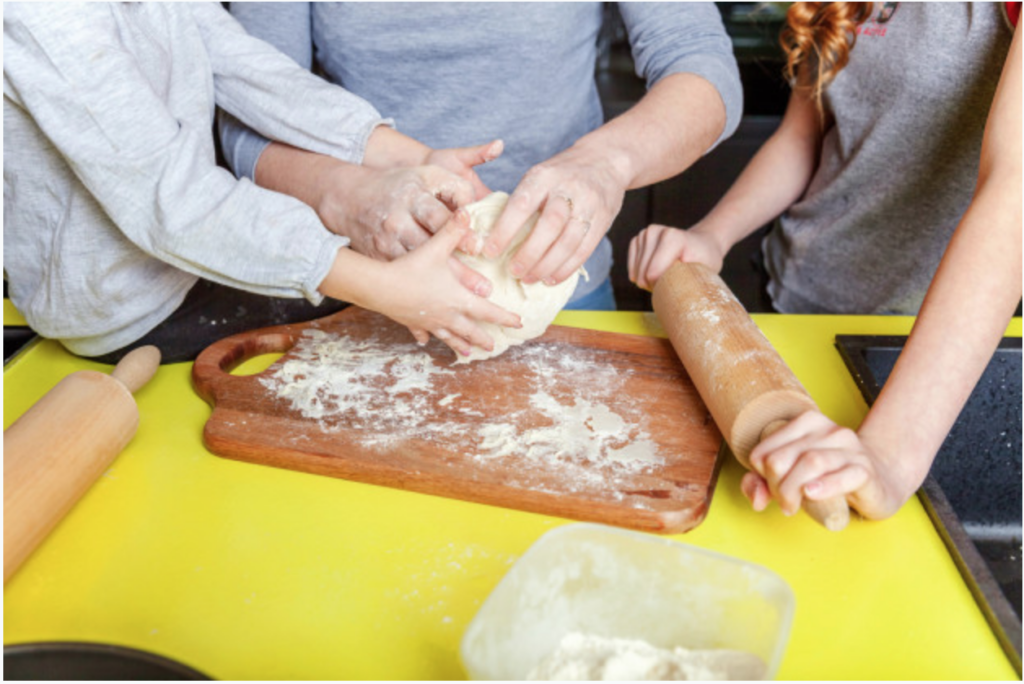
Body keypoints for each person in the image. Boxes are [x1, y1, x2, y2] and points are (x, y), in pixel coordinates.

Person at [628, 2, 1021, 521]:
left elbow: (1013, 192)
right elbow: (803, 140)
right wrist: (712, 237)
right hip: (794, 298)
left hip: (920, 360)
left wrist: (890, 454)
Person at [3, 3, 521, 364]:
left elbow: (247, 69)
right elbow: (175, 203)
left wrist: (411, 157)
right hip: (128, 314)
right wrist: (387, 289)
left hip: (191, 265)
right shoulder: (44, 16)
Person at [219, 2, 744, 312]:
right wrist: (345, 196)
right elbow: (247, 117)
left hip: (556, 295)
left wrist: (605, 162)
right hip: (362, 295)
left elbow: (704, 70)